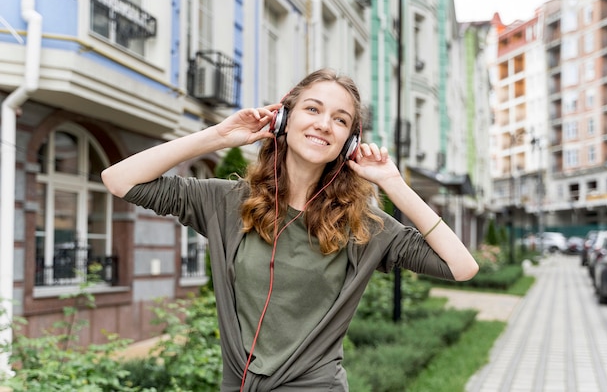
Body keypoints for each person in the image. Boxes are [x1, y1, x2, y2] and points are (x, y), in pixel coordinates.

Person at [101, 68, 479, 391]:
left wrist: (394, 184)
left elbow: (462, 267)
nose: (323, 124)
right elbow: (119, 180)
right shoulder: (229, 203)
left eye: (340, 119)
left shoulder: (362, 224)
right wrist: (218, 136)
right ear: (283, 119)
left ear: (349, 142)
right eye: (313, 109)